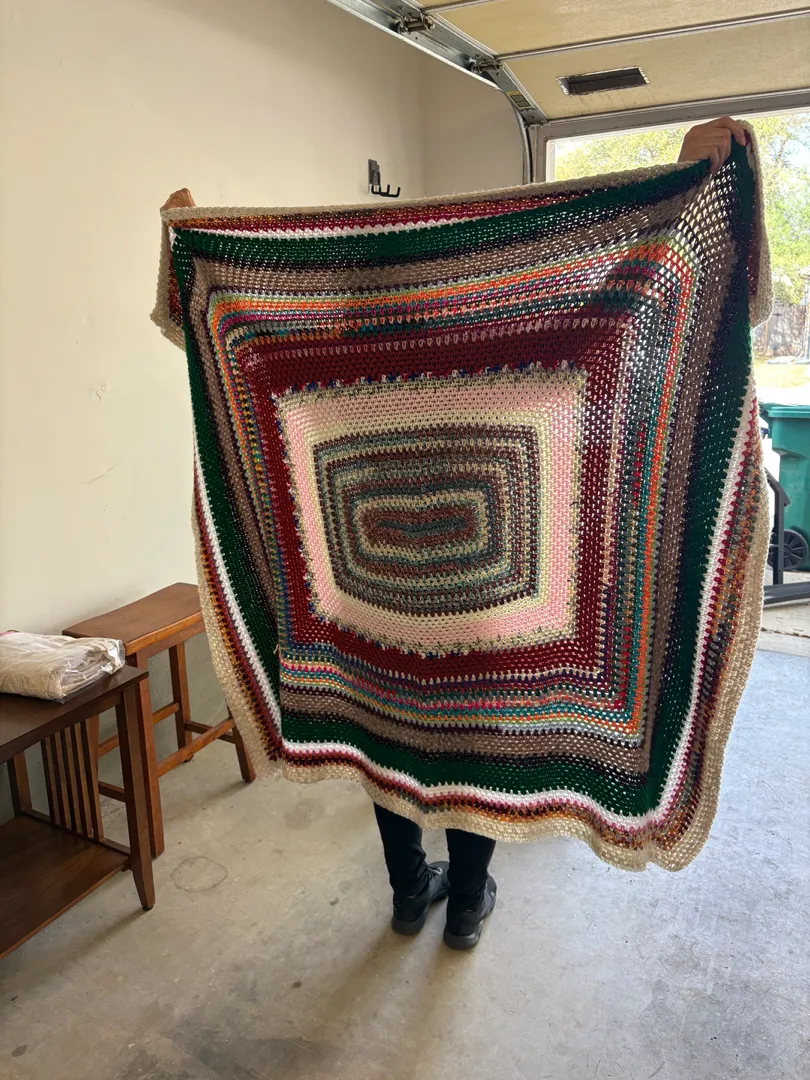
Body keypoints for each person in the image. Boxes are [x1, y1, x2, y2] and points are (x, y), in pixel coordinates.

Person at [161, 114, 748, 951]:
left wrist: (197, 242)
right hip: (483, 602)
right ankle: (467, 905)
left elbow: (245, 341)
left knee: (385, 739)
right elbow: (605, 356)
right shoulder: (498, 349)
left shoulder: (340, 353)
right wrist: (688, 180)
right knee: (474, 753)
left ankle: (410, 894)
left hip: (366, 599)